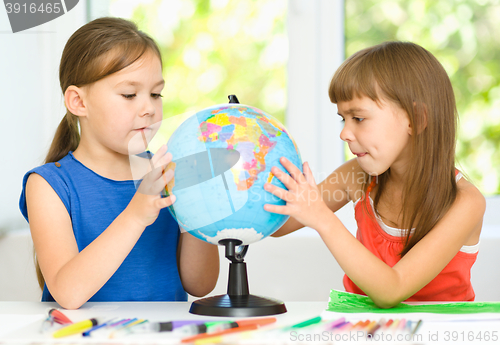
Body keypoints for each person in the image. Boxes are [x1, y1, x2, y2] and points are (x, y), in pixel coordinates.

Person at [19, 17, 219, 309]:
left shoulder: (168, 175)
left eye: (156, 94)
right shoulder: (48, 186)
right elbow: (67, 293)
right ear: (78, 102)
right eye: (129, 94)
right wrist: (136, 215)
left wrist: (198, 208)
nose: (149, 108)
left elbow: (200, 284)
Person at [268, 41, 485, 308]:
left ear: (415, 119)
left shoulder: (465, 202)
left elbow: (392, 290)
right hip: (365, 329)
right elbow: (278, 224)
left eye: (358, 118)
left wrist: (322, 218)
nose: (344, 133)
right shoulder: (355, 176)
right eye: (342, 119)